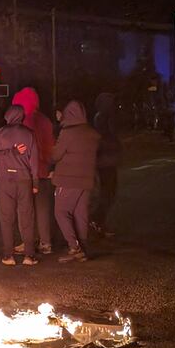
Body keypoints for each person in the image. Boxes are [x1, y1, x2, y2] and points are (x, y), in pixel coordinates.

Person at [0, 105, 39, 266]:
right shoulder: (29, 134)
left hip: (5, 180)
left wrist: (7, 153)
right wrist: (35, 182)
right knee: (26, 218)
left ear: (8, 116)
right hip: (24, 180)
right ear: (22, 116)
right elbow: (34, 161)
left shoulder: (1, 132)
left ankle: (8, 256)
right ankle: (29, 256)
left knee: (6, 218)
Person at [52, 100, 101, 263]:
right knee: (80, 213)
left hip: (68, 180)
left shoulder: (67, 132)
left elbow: (55, 155)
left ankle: (74, 247)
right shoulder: (91, 133)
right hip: (86, 180)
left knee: (61, 212)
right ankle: (83, 248)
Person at [11, 87, 55, 253]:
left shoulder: (24, 122)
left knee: (25, 209)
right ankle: (46, 243)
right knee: (43, 209)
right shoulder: (45, 120)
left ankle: (28, 241)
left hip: (27, 172)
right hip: (44, 170)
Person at [91, 92, 122, 238]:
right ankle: (97, 220)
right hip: (105, 162)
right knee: (107, 193)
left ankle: (98, 220)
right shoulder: (102, 118)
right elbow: (105, 139)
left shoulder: (104, 118)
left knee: (109, 193)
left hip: (107, 160)